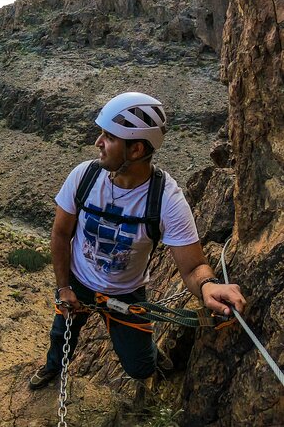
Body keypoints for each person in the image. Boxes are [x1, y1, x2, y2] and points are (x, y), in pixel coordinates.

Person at [29, 92, 247, 389]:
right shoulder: (83, 177)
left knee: (140, 367)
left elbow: (193, 266)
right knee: (61, 336)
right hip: (78, 281)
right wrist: (64, 287)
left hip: (126, 293)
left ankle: (151, 356)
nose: (98, 142)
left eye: (109, 136)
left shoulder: (166, 200)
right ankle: (52, 368)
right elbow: (60, 234)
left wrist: (209, 286)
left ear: (136, 149)